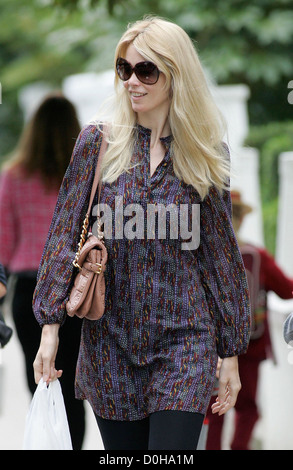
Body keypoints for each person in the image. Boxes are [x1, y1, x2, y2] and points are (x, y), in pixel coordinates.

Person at [32, 17, 251, 451]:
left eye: (145, 71)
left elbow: (221, 258)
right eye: (123, 69)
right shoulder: (98, 143)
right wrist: (50, 329)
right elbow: (62, 234)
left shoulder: (207, 154)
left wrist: (231, 352)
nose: (132, 81)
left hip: (185, 341)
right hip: (110, 342)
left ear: (175, 74)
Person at [0, 93, 86, 449]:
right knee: (73, 387)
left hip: (28, 294)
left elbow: (3, 244)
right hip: (75, 293)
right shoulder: (85, 178)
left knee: (38, 379)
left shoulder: (14, 176)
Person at [206, 190, 293, 450]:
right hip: (250, 344)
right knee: (247, 407)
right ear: (241, 220)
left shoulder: (205, 254)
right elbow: (287, 289)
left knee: (214, 407)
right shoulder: (256, 255)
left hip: (214, 345)